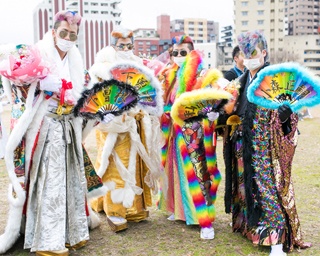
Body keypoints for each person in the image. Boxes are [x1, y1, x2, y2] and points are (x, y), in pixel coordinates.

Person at [0, 10, 104, 255]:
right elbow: (15, 87)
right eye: (64, 32)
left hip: (68, 127)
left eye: (73, 34)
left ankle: (72, 231)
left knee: (69, 180)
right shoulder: (37, 54)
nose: (68, 37)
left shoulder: (77, 61)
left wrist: (98, 112)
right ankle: (48, 239)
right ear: (53, 32)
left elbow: (85, 98)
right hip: (44, 128)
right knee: (50, 182)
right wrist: (38, 87)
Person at [222, 30, 311, 255]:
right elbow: (230, 109)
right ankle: (250, 229)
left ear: (264, 53)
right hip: (241, 144)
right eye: (245, 52)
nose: (248, 56)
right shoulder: (240, 81)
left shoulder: (272, 79)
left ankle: (277, 243)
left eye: (253, 51)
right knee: (244, 189)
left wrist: (285, 115)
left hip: (264, 148)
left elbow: (290, 120)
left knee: (267, 191)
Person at [89, 26, 163, 232]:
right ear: (113, 46)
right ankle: (115, 210)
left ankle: (133, 209)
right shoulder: (102, 66)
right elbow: (96, 97)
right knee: (115, 165)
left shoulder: (137, 64)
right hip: (113, 124)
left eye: (130, 45)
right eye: (122, 45)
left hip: (135, 123)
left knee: (136, 164)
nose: (127, 49)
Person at [157, 35, 224, 240]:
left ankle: (204, 221)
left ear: (192, 53)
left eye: (183, 52)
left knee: (197, 171)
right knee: (174, 170)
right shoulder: (169, 74)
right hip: (172, 131)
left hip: (193, 129)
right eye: (175, 52)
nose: (178, 56)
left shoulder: (202, 74)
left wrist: (213, 113)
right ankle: (178, 210)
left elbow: (214, 98)